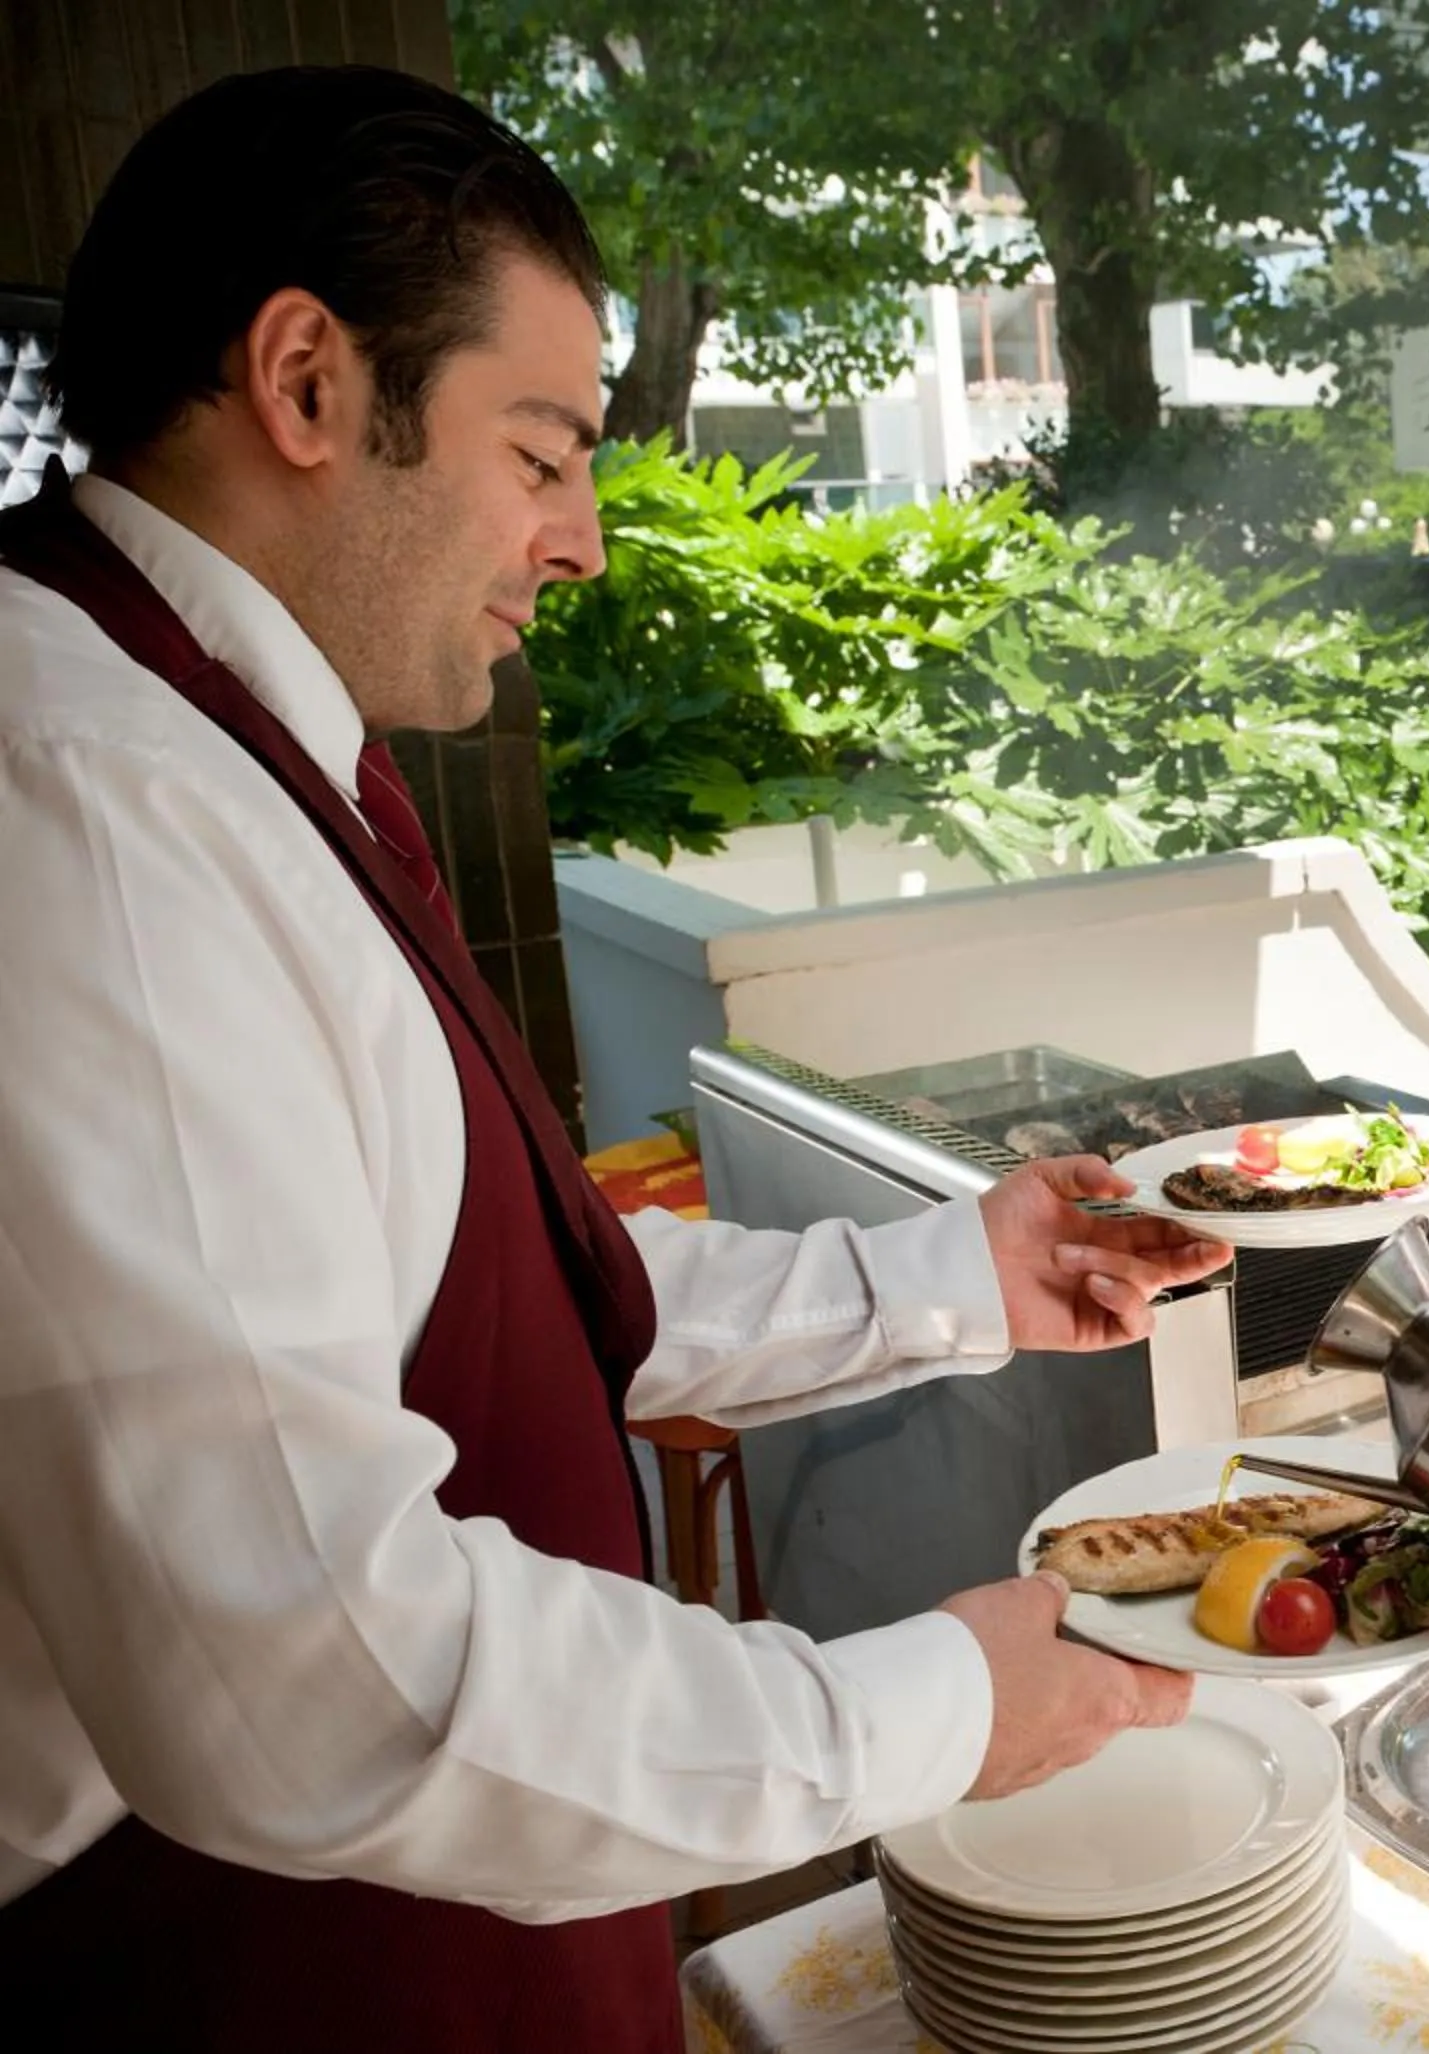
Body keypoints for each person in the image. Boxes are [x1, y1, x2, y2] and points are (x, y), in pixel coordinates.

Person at [0, 66, 1226, 2051]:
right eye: (543, 448)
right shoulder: (80, 810)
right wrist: (927, 1711)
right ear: (308, 382)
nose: (579, 542)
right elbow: (306, 1672)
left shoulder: (218, 746)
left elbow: (474, 1290)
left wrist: (950, 1277)